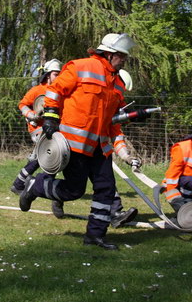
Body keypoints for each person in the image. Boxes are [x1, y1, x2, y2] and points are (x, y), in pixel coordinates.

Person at [19, 33, 140, 250]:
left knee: (106, 189)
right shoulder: (81, 66)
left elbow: (112, 119)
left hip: (100, 147)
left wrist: (131, 120)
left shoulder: (118, 83)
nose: (124, 60)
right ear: (109, 54)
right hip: (73, 143)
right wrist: (51, 117)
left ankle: (95, 236)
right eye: (121, 56)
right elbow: (54, 91)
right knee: (74, 191)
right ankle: (35, 186)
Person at [50, 69, 140, 229]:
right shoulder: (87, 99)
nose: (120, 97)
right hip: (75, 148)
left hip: (98, 151)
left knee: (106, 183)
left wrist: (127, 157)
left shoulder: (111, 110)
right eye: (119, 91)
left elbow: (116, 135)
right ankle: (54, 195)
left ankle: (115, 213)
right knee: (74, 186)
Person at [10, 59, 63, 194]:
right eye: (55, 74)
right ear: (48, 75)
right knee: (48, 156)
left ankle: (30, 184)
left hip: (54, 129)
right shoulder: (37, 90)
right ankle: (22, 184)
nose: (58, 77)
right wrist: (33, 115)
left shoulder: (60, 91)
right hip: (38, 129)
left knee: (50, 158)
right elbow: (22, 105)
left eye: (59, 74)